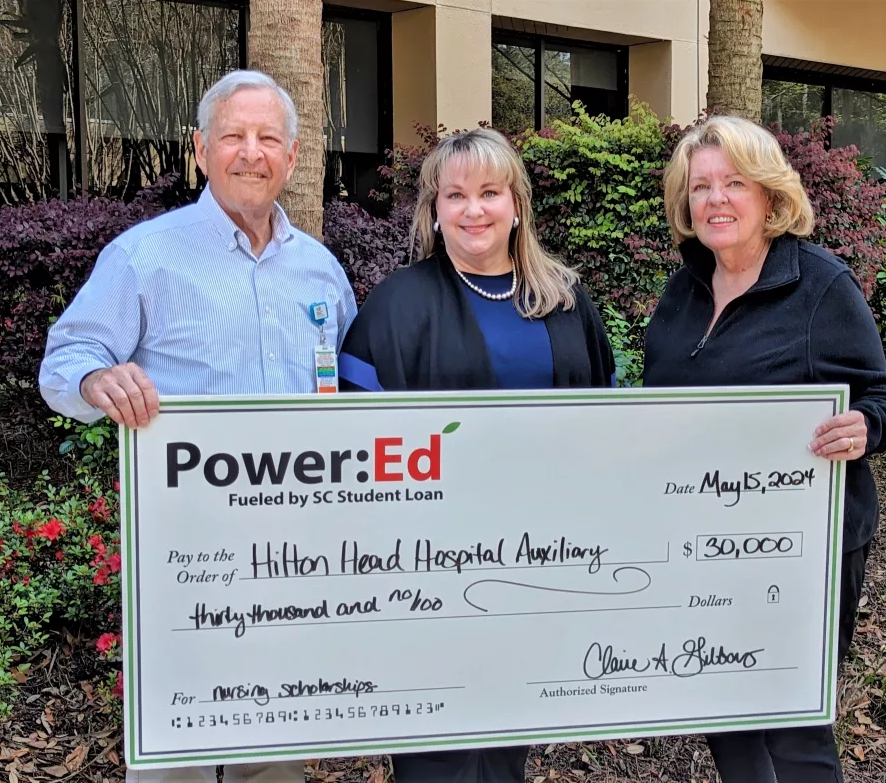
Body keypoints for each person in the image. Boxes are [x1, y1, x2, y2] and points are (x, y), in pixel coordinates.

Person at [39, 70, 357, 783]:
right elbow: (67, 359)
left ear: (294, 156)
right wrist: (96, 378)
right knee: (179, 753)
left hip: (296, 555)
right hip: (188, 555)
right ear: (200, 149)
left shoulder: (320, 271)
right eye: (233, 136)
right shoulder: (144, 256)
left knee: (271, 747)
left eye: (268, 138)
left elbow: (355, 392)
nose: (251, 152)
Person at [339, 127, 613, 781]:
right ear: (434, 209)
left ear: (516, 203)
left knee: (506, 736)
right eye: (455, 194)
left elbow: (606, 429)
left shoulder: (567, 300)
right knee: (437, 749)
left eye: (490, 192)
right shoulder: (397, 305)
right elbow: (353, 445)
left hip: (540, 562)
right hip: (429, 570)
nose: (473, 209)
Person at [643, 115, 886, 783]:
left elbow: (882, 394)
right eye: (701, 187)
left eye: (734, 183)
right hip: (701, 541)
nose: (717, 199)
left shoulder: (819, 286)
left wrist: (865, 428)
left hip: (801, 547)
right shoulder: (683, 290)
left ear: (769, 196)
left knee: (793, 723)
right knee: (723, 707)